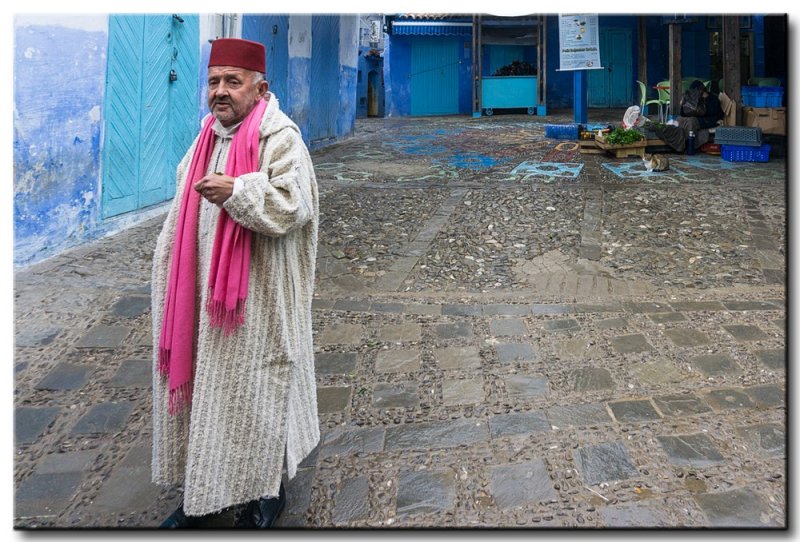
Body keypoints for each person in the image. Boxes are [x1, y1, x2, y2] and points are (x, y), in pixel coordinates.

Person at [150, 37, 320, 528]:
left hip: (258, 295)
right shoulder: (207, 134)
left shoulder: (280, 137)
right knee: (208, 392)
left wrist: (239, 189)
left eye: (232, 82)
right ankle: (203, 490)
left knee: (260, 389)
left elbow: (293, 203)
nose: (220, 92)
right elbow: (185, 199)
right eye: (213, 82)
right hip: (201, 294)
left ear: (260, 87)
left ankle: (267, 491)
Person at [676, 79, 724, 149]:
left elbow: (716, 113)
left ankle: (689, 146)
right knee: (679, 120)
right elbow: (682, 114)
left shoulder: (712, 98)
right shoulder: (692, 98)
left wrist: (706, 101)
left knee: (692, 122)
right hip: (697, 118)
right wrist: (683, 105)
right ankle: (680, 143)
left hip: (710, 119)